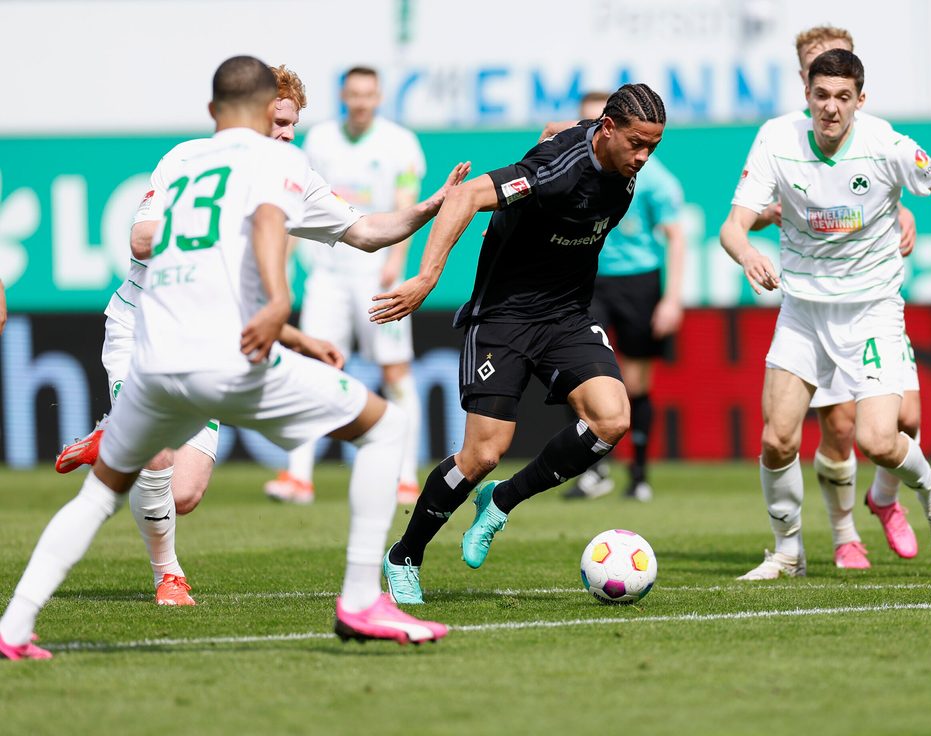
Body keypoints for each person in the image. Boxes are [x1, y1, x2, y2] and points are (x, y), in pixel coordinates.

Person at [0, 56, 456, 661]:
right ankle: (360, 599)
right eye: (283, 120)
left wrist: (423, 209)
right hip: (213, 352)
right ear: (261, 111)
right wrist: (278, 306)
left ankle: (13, 629)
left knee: (148, 494)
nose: (289, 133)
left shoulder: (190, 161)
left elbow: (359, 229)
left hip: (163, 354)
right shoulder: (275, 164)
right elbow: (277, 224)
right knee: (386, 427)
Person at [372, 84, 667, 604]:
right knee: (483, 453)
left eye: (653, 147)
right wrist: (427, 277)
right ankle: (405, 556)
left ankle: (502, 502)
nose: (644, 157)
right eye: (637, 143)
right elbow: (466, 195)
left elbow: (559, 130)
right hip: (503, 319)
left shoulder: (611, 160)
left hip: (566, 316)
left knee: (612, 418)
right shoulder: (559, 168)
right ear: (609, 129)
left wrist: (548, 137)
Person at [719, 49, 931, 580]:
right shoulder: (777, 139)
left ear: (860, 101)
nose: (830, 108)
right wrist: (749, 253)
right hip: (802, 312)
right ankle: (786, 554)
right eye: (821, 95)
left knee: (878, 441)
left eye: (843, 97)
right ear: (808, 96)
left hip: (871, 311)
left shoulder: (887, 147)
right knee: (777, 438)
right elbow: (734, 226)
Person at [750, 25, 924, 570]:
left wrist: (902, 210)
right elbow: (745, 214)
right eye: (813, 73)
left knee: (907, 422)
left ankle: (885, 498)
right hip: (817, 303)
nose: (826, 94)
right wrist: (771, 214)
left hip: (869, 300)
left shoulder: (872, 140)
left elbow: (883, 186)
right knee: (840, 427)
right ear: (804, 80)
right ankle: (843, 534)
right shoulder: (783, 141)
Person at [264, 66, 427, 507]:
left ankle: (406, 477)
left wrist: (397, 261)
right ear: (343, 96)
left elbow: (404, 204)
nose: (360, 101)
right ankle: (298, 476)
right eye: (353, 93)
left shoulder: (399, 143)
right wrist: (285, 274)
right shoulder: (318, 141)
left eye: (368, 94)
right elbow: (291, 210)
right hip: (328, 273)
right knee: (312, 366)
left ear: (378, 97)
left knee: (395, 371)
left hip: (375, 274)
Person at [558, 91, 685, 502]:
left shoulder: (655, 176)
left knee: (636, 382)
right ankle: (593, 471)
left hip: (637, 282)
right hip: (587, 278)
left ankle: (640, 473)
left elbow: (676, 236)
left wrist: (672, 298)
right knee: (578, 372)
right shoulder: (575, 165)